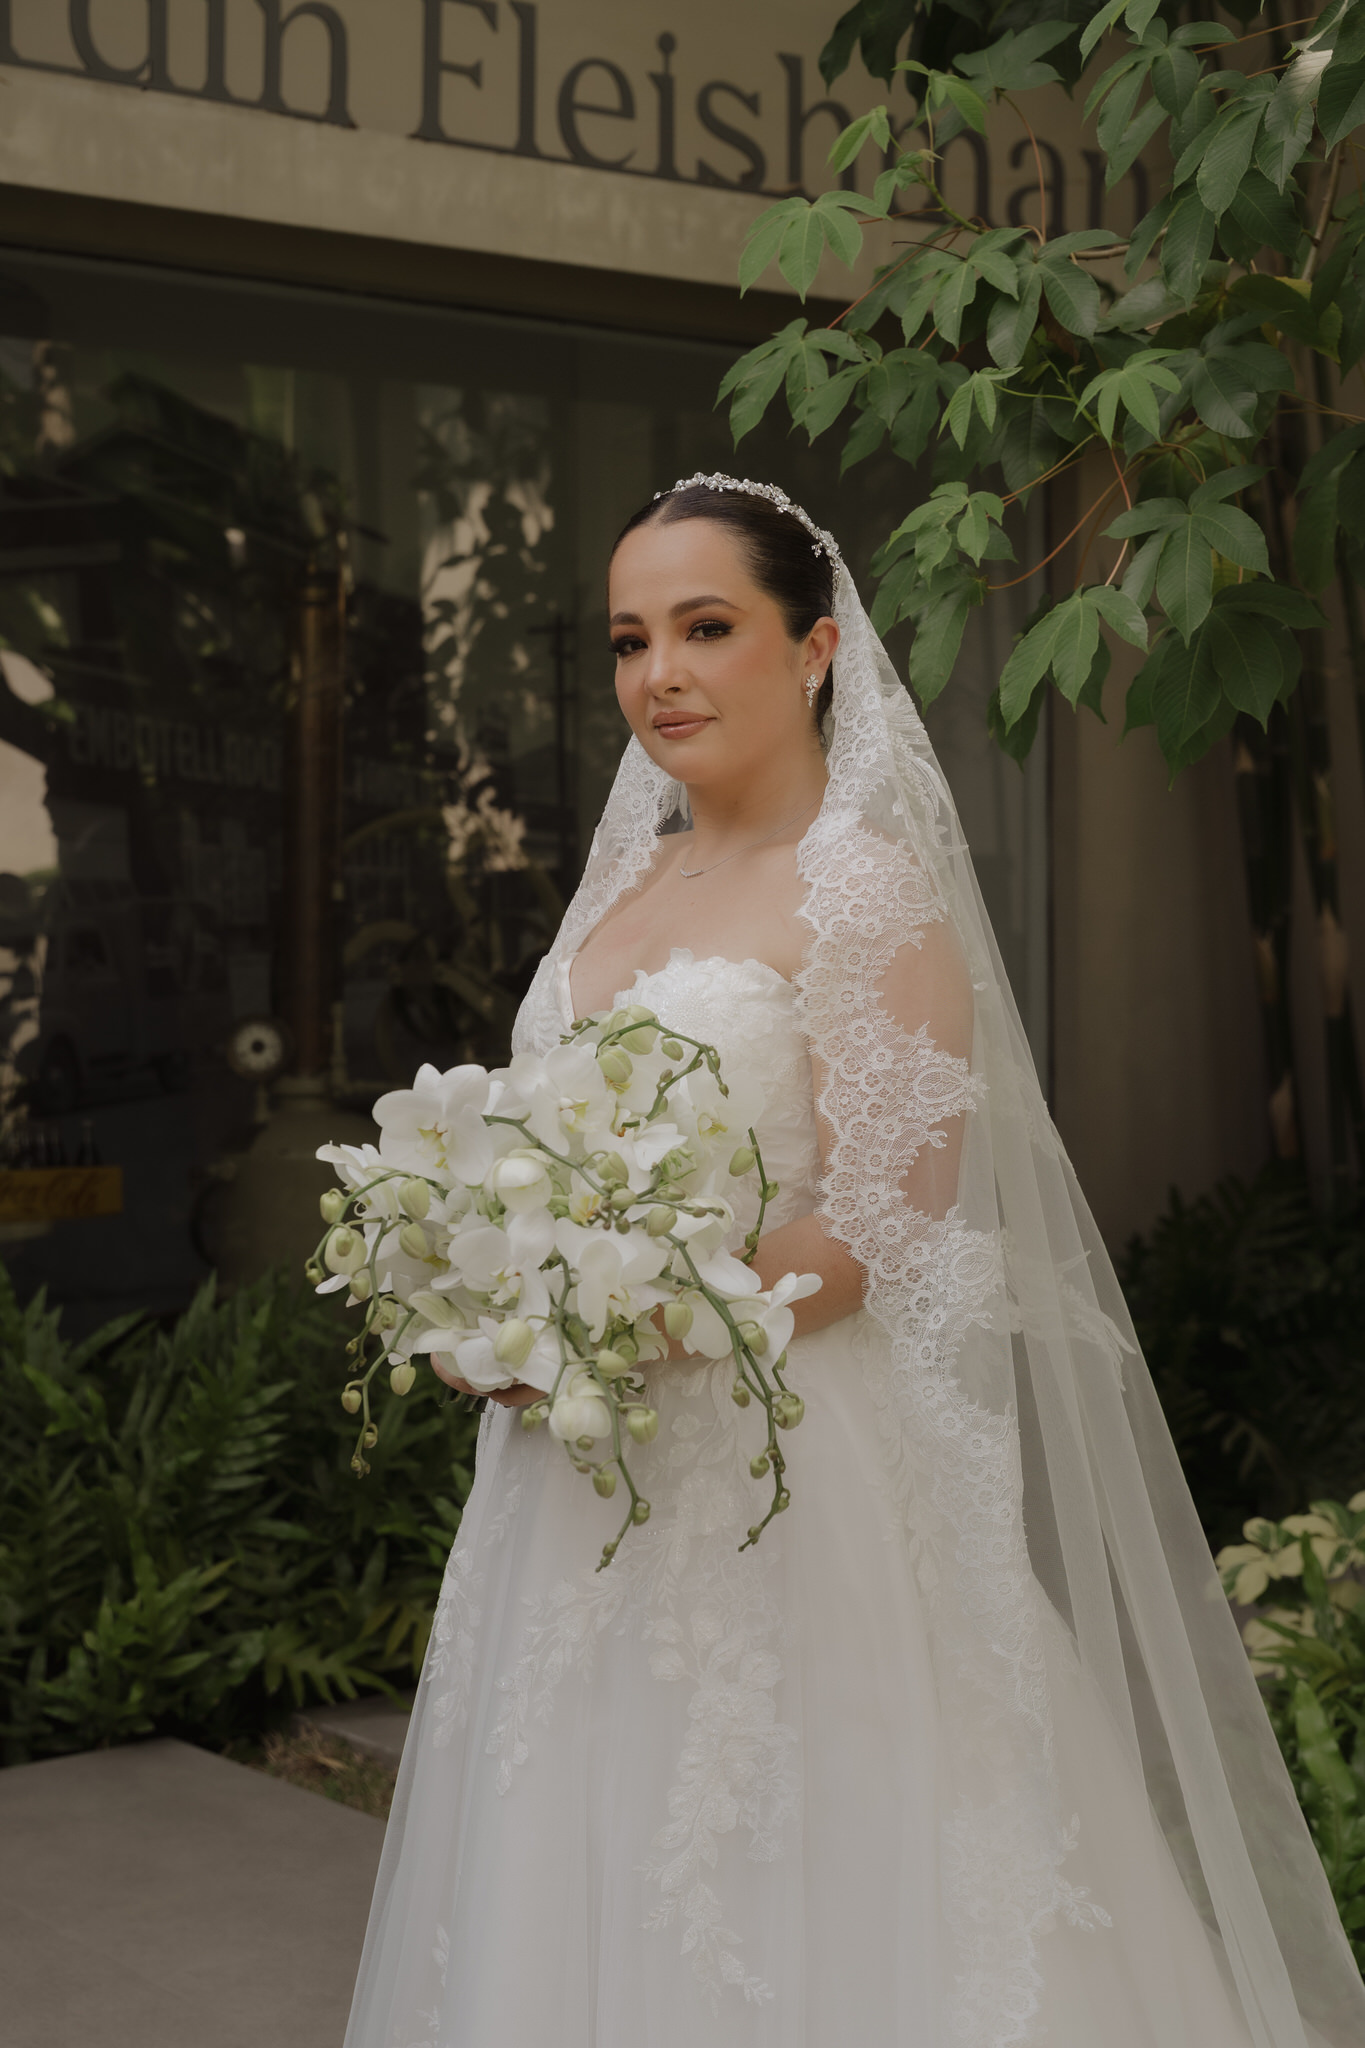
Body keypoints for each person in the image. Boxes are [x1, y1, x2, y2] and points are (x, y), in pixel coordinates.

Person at [344, 476, 1364, 2048]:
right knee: (571, 1856)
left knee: (801, 1876)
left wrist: (610, 1324)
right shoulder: (622, 884)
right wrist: (485, 1297)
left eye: (706, 628)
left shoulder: (865, 886)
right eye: (629, 640)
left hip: (784, 1471)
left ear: (814, 648)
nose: (659, 674)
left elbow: (887, 1224)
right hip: (573, 1488)